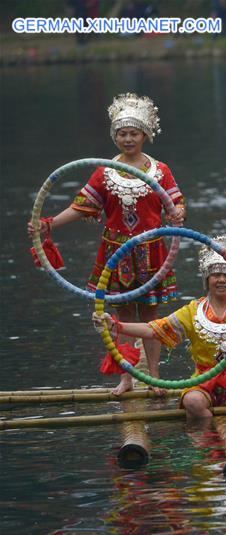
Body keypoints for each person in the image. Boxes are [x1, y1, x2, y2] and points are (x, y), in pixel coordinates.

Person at [28, 93, 185, 396]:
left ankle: (153, 375)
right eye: (123, 134)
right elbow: (82, 207)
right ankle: (126, 377)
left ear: (145, 135)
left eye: (134, 133)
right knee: (123, 318)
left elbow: (175, 203)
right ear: (115, 136)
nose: (128, 139)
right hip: (116, 254)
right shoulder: (104, 171)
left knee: (151, 317)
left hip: (151, 252)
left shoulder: (161, 171)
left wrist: (178, 214)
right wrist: (48, 224)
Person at [93, 235, 226, 419]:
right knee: (192, 401)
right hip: (202, 381)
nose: (221, 279)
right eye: (215, 275)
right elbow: (152, 329)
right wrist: (116, 325)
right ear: (207, 280)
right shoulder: (193, 310)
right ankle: (207, 445)